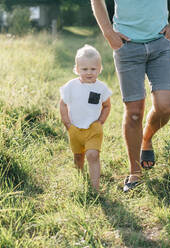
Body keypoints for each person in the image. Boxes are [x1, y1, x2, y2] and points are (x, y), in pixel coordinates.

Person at [91, 0, 170, 192]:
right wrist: (109, 33)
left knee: (165, 106)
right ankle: (135, 173)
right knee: (134, 113)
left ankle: (146, 138)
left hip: (161, 42)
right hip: (127, 46)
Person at [59, 44, 112, 191]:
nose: (89, 73)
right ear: (77, 69)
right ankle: (80, 180)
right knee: (78, 157)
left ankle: (95, 189)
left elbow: (107, 105)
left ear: (99, 69)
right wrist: (67, 123)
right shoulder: (71, 86)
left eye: (93, 69)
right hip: (75, 129)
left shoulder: (101, 88)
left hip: (93, 129)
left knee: (92, 155)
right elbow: (63, 104)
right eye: (84, 69)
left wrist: (101, 121)